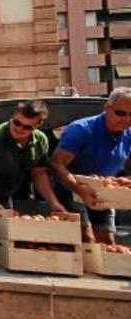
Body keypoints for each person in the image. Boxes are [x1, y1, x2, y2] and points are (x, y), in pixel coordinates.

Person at [49, 87, 131, 244]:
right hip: (69, 191)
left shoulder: (129, 134)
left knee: (107, 243)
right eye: (120, 113)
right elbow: (56, 164)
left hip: (102, 193)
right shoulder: (81, 129)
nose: (126, 119)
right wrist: (80, 190)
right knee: (86, 239)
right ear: (107, 108)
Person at [0, 101, 66, 220]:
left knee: (6, 231)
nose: (19, 129)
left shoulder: (40, 141)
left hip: (4, 194)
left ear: (38, 125)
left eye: (27, 127)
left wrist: (53, 203)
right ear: (13, 116)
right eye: (17, 123)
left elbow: (39, 174)